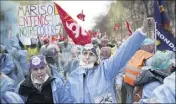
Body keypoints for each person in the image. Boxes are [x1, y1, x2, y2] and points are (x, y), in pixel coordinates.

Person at [68, 17, 154, 103]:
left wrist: (142, 30)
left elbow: (123, 53)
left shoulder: (104, 70)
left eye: (91, 54)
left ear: (97, 58)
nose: (87, 57)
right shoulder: (73, 77)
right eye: (85, 53)